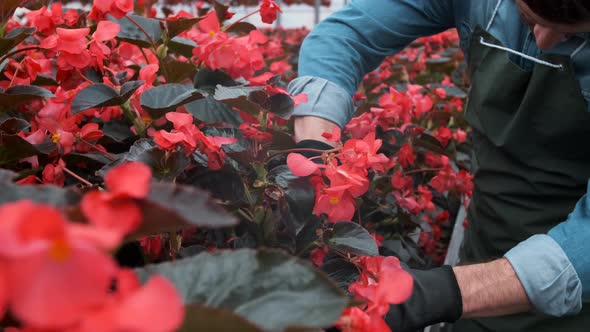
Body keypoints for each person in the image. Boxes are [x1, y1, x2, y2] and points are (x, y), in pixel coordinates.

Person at [287, 0, 590, 331]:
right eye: (529, 17)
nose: (544, 41)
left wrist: (438, 294)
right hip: (485, 243)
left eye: (575, 33)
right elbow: (345, 36)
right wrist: (318, 156)